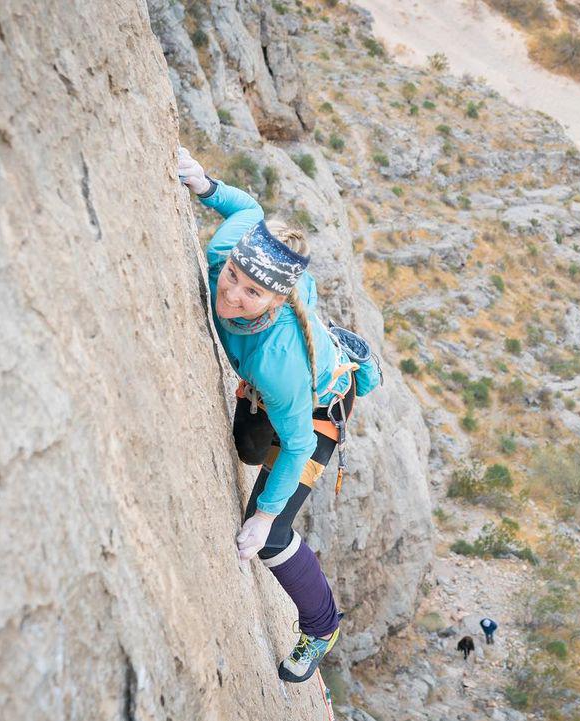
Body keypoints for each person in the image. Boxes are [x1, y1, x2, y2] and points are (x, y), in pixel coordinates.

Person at [177, 147, 356, 684]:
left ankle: (321, 628)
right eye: (231, 277)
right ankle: (259, 439)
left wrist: (261, 519)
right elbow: (249, 210)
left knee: (272, 532)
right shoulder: (227, 255)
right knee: (248, 449)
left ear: (276, 302)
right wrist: (207, 186)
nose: (230, 294)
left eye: (251, 292)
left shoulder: (278, 361)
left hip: (317, 415)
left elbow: (298, 444)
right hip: (270, 396)